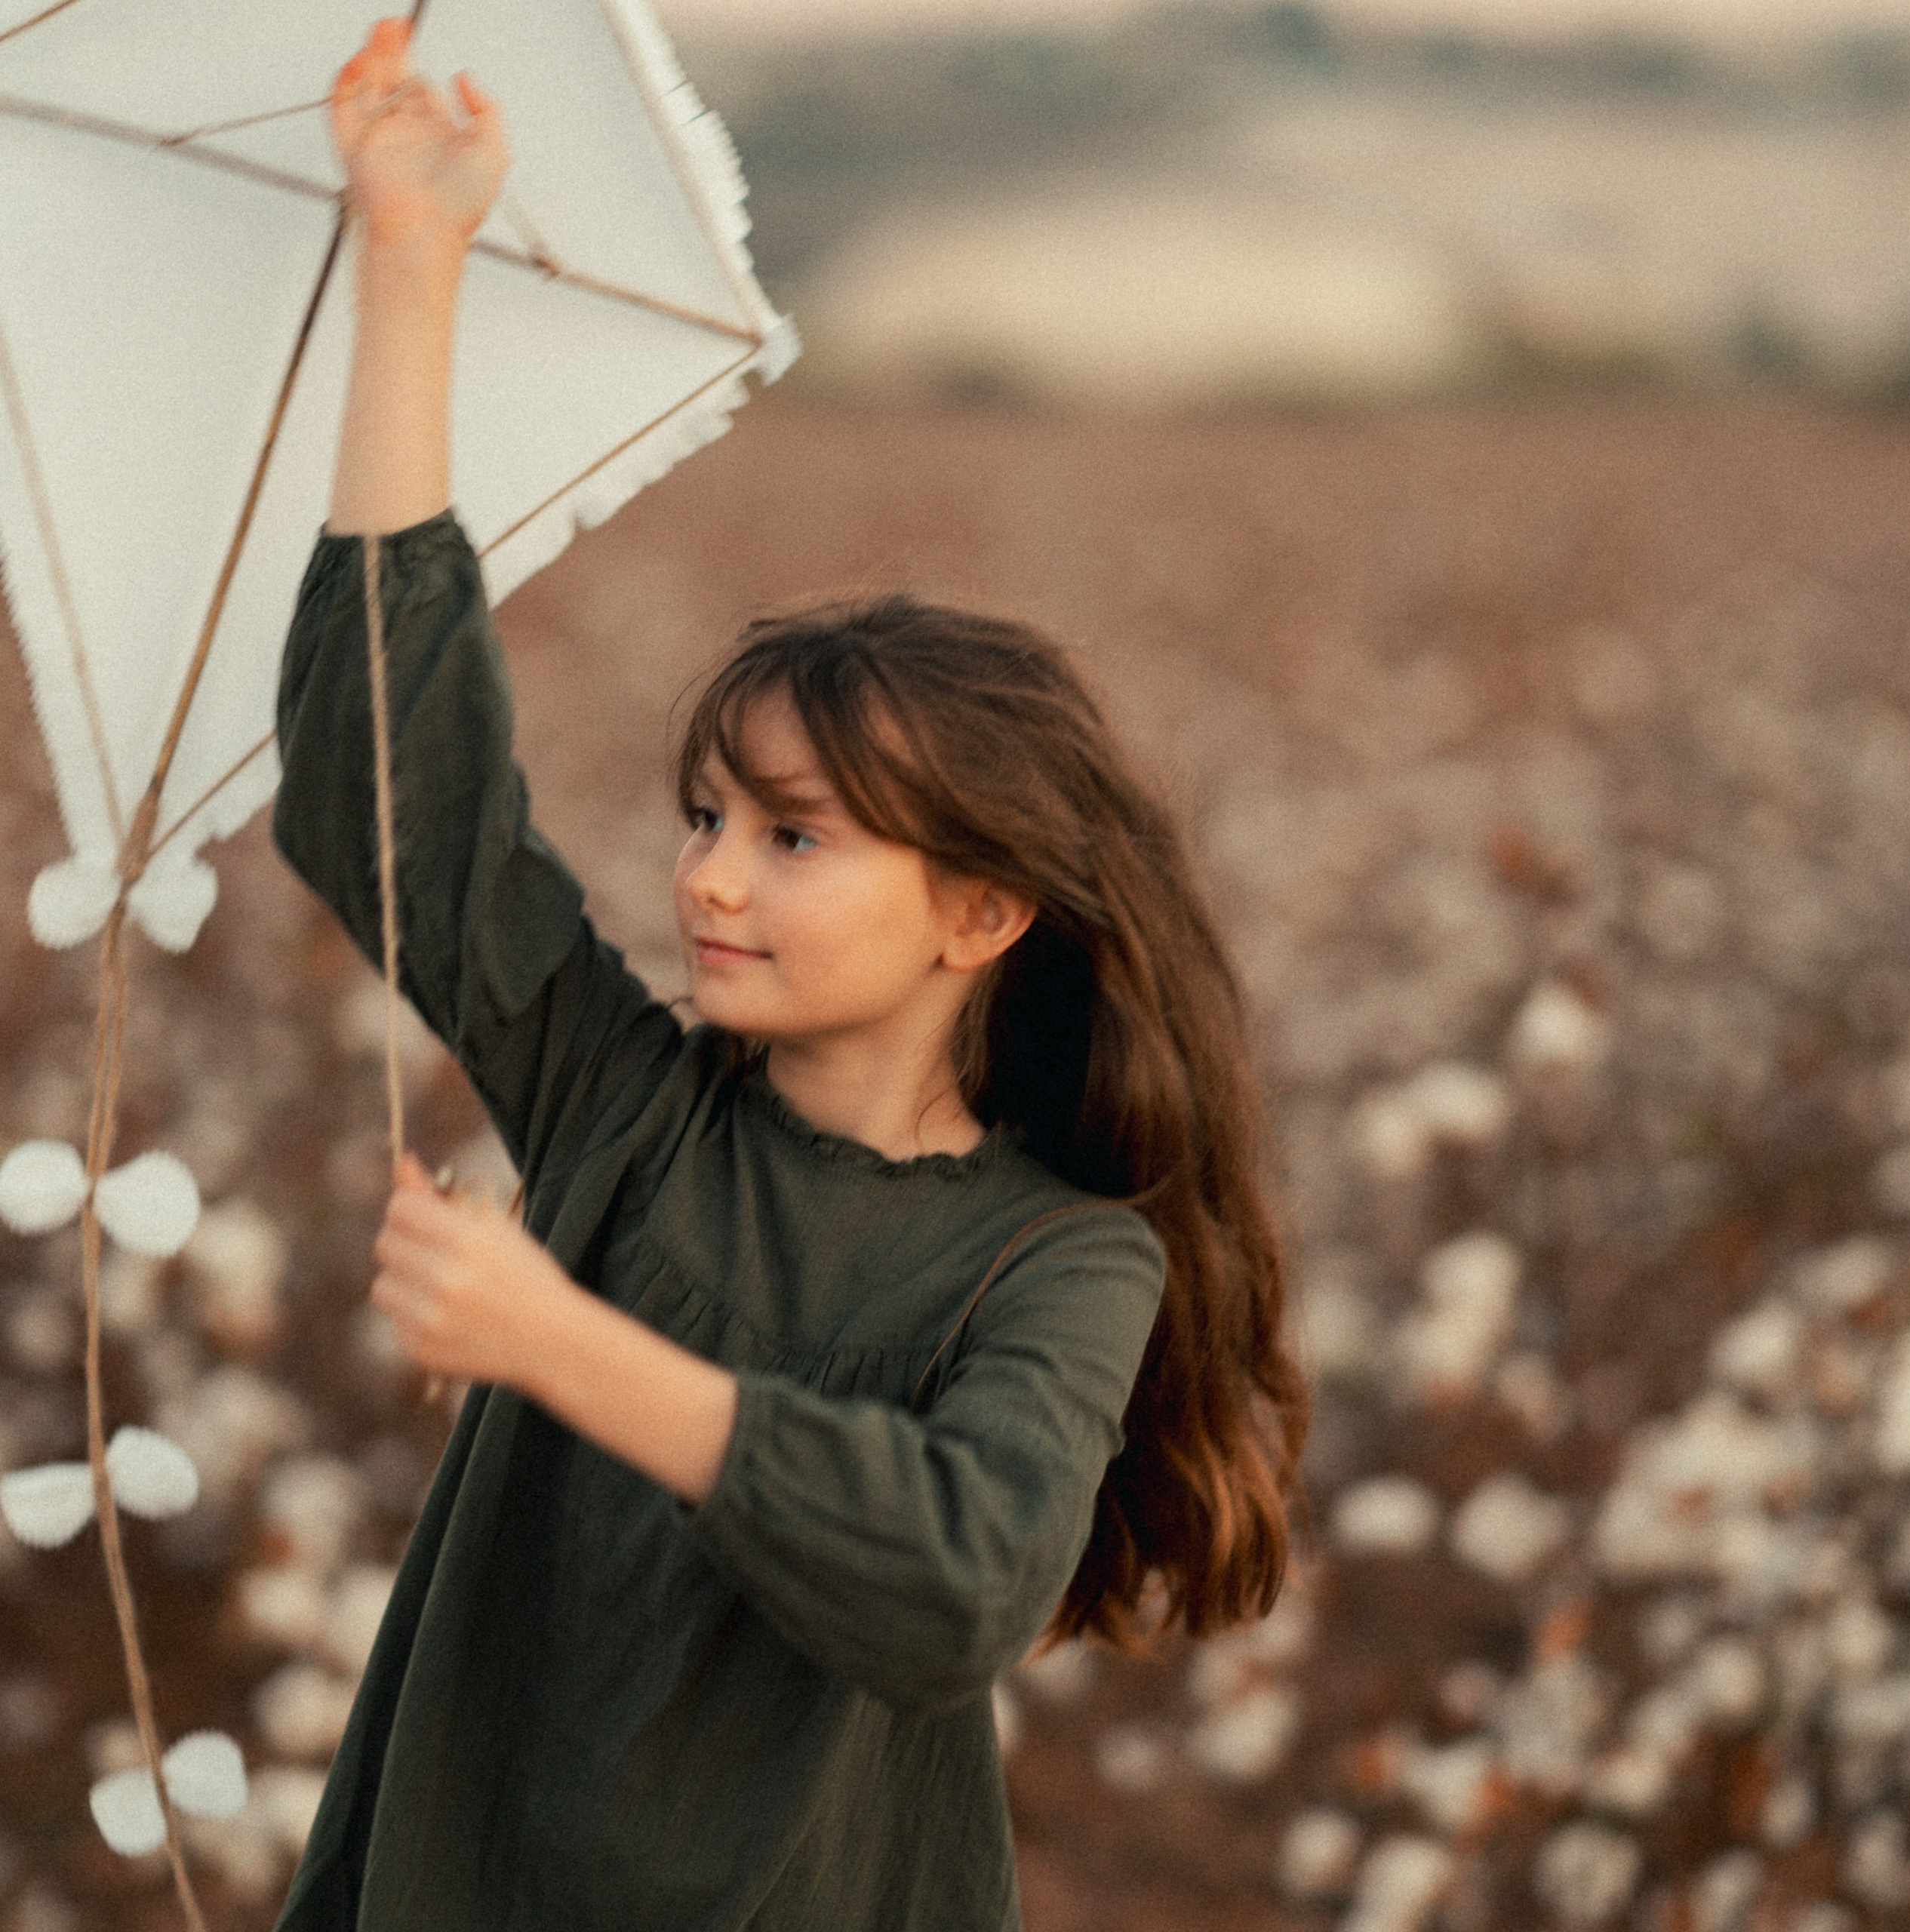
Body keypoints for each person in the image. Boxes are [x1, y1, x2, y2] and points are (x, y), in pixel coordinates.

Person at [269, 19, 1306, 1931]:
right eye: (704, 814)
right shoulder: (628, 1103)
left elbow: (962, 1577)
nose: (708, 874)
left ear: (981, 911)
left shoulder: (1059, 1260)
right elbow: (389, 790)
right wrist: (410, 262)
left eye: (794, 836)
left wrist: (558, 1339)